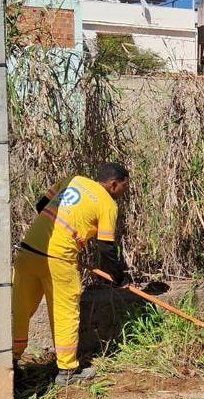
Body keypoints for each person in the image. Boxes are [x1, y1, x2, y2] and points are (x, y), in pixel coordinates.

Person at [11, 163, 131, 385]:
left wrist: (63, 236)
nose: (124, 192)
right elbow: (106, 248)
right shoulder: (108, 205)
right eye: (124, 186)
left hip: (28, 251)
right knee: (65, 312)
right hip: (59, 260)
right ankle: (67, 372)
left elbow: (41, 206)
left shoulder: (72, 181)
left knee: (21, 308)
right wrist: (119, 277)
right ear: (114, 184)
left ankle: (10, 361)